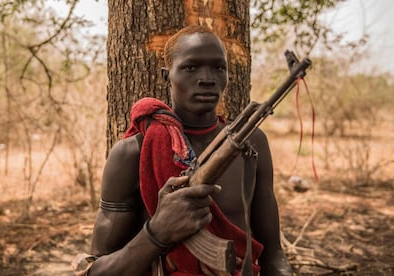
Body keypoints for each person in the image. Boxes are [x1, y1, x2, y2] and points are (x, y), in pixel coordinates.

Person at [78, 25, 292, 275]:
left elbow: (274, 255)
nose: (207, 78)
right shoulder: (131, 154)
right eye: (190, 67)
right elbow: (97, 271)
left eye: (218, 67)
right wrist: (157, 232)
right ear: (166, 75)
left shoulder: (253, 143)